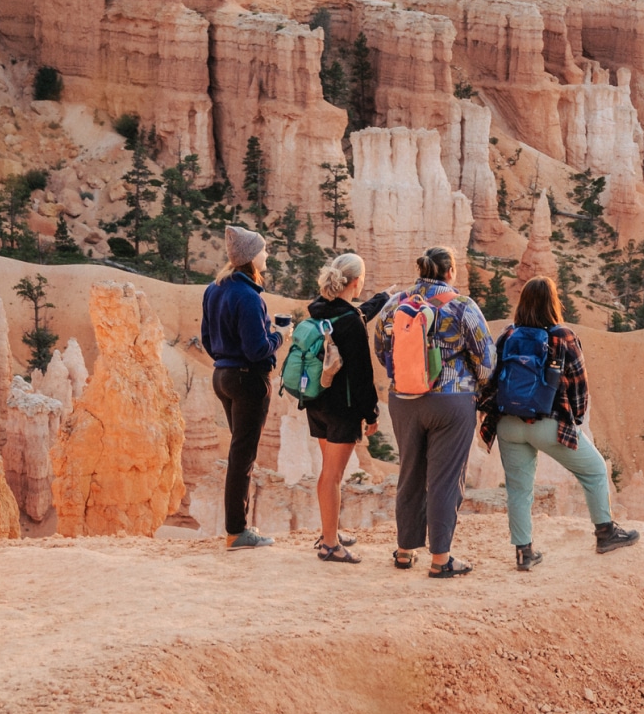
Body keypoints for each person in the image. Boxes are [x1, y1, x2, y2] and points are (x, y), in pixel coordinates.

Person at [477, 276, 640, 570]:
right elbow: (578, 384)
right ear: (553, 302)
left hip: (508, 424)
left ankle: (524, 553)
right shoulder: (562, 336)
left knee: (518, 489)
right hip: (548, 424)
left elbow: (491, 377)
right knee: (594, 470)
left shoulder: (508, 334)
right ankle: (605, 533)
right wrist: (573, 421)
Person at [374, 246, 495, 578]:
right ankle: (441, 559)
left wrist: (405, 376)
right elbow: (486, 360)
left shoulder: (395, 304)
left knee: (409, 472)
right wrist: (475, 386)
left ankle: (404, 551)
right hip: (451, 403)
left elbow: (381, 349)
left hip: (404, 400)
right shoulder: (462, 306)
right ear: (450, 272)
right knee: (443, 480)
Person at [200, 225, 284, 550]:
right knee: (242, 457)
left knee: (240, 452)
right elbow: (257, 349)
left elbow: (208, 339)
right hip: (248, 379)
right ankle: (237, 531)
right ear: (250, 257)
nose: (267, 255)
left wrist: (225, 359)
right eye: (263, 250)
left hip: (223, 376)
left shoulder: (215, 289)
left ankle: (240, 525)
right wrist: (280, 336)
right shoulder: (249, 296)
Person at [303, 253, 388, 564]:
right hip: (344, 408)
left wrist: (382, 300)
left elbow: (353, 316)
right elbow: (363, 376)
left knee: (328, 471)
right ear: (356, 282)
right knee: (333, 476)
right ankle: (329, 544)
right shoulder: (349, 322)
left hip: (317, 401)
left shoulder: (319, 308)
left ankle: (330, 531)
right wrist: (372, 415)